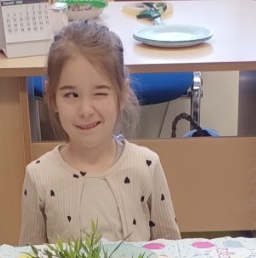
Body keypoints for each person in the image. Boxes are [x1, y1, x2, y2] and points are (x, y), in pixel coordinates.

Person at [19, 21, 179, 245]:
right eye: (71, 95)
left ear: (122, 93)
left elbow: (171, 251)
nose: (85, 110)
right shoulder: (39, 176)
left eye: (100, 93)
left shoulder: (147, 166)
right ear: (51, 97)